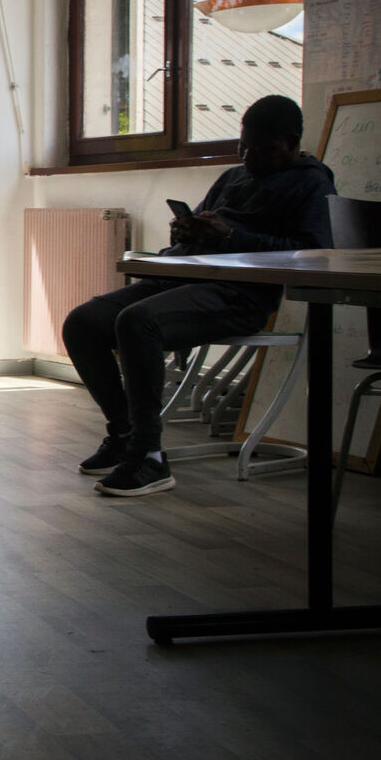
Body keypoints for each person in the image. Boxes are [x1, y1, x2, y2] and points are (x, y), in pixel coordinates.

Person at [62, 95, 335, 498]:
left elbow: (313, 253)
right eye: (243, 146)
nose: (248, 157)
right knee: (82, 323)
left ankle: (148, 456)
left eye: (261, 150)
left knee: (138, 322)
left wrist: (232, 236)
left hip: (239, 295)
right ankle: (123, 434)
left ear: (292, 144)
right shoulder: (233, 177)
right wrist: (187, 231)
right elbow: (206, 223)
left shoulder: (312, 184)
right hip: (182, 277)